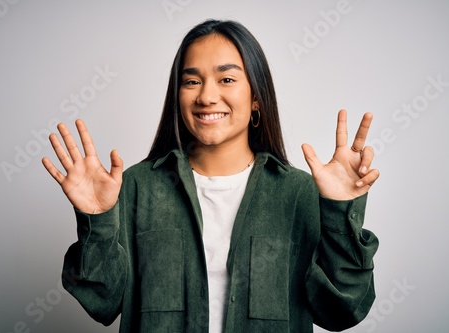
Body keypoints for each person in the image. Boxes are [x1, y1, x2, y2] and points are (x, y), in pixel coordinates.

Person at [42, 19, 380, 333]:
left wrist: (339, 211)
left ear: (257, 98)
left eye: (227, 79)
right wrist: (97, 219)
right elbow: (102, 302)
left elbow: (342, 310)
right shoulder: (136, 186)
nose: (206, 96)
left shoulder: (298, 193)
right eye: (191, 81)